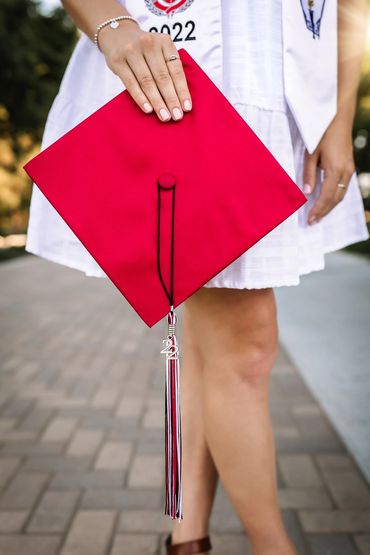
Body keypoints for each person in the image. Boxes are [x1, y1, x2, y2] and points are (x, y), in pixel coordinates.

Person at [25, 1, 369, 554]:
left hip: (288, 87)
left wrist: (341, 113)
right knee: (246, 347)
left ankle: (188, 538)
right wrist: (111, 26)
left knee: (218, 346)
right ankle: (270, 547)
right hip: (177, 78)